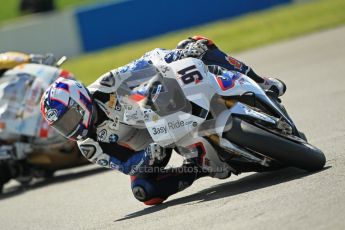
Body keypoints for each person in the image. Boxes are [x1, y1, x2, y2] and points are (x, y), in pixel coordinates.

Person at [40, 36, 286, 205]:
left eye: (69, 117)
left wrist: (181, 54)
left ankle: (261, 82)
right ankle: (199, 167)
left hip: (161, 105)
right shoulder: (89, 146)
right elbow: (129, 165)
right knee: (144, 192)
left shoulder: (107, 86)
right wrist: (152, 152)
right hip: (155, 147)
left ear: (80, 100)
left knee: (198, 44)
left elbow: (148, 62)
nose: (69, 126)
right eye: (62, 125)